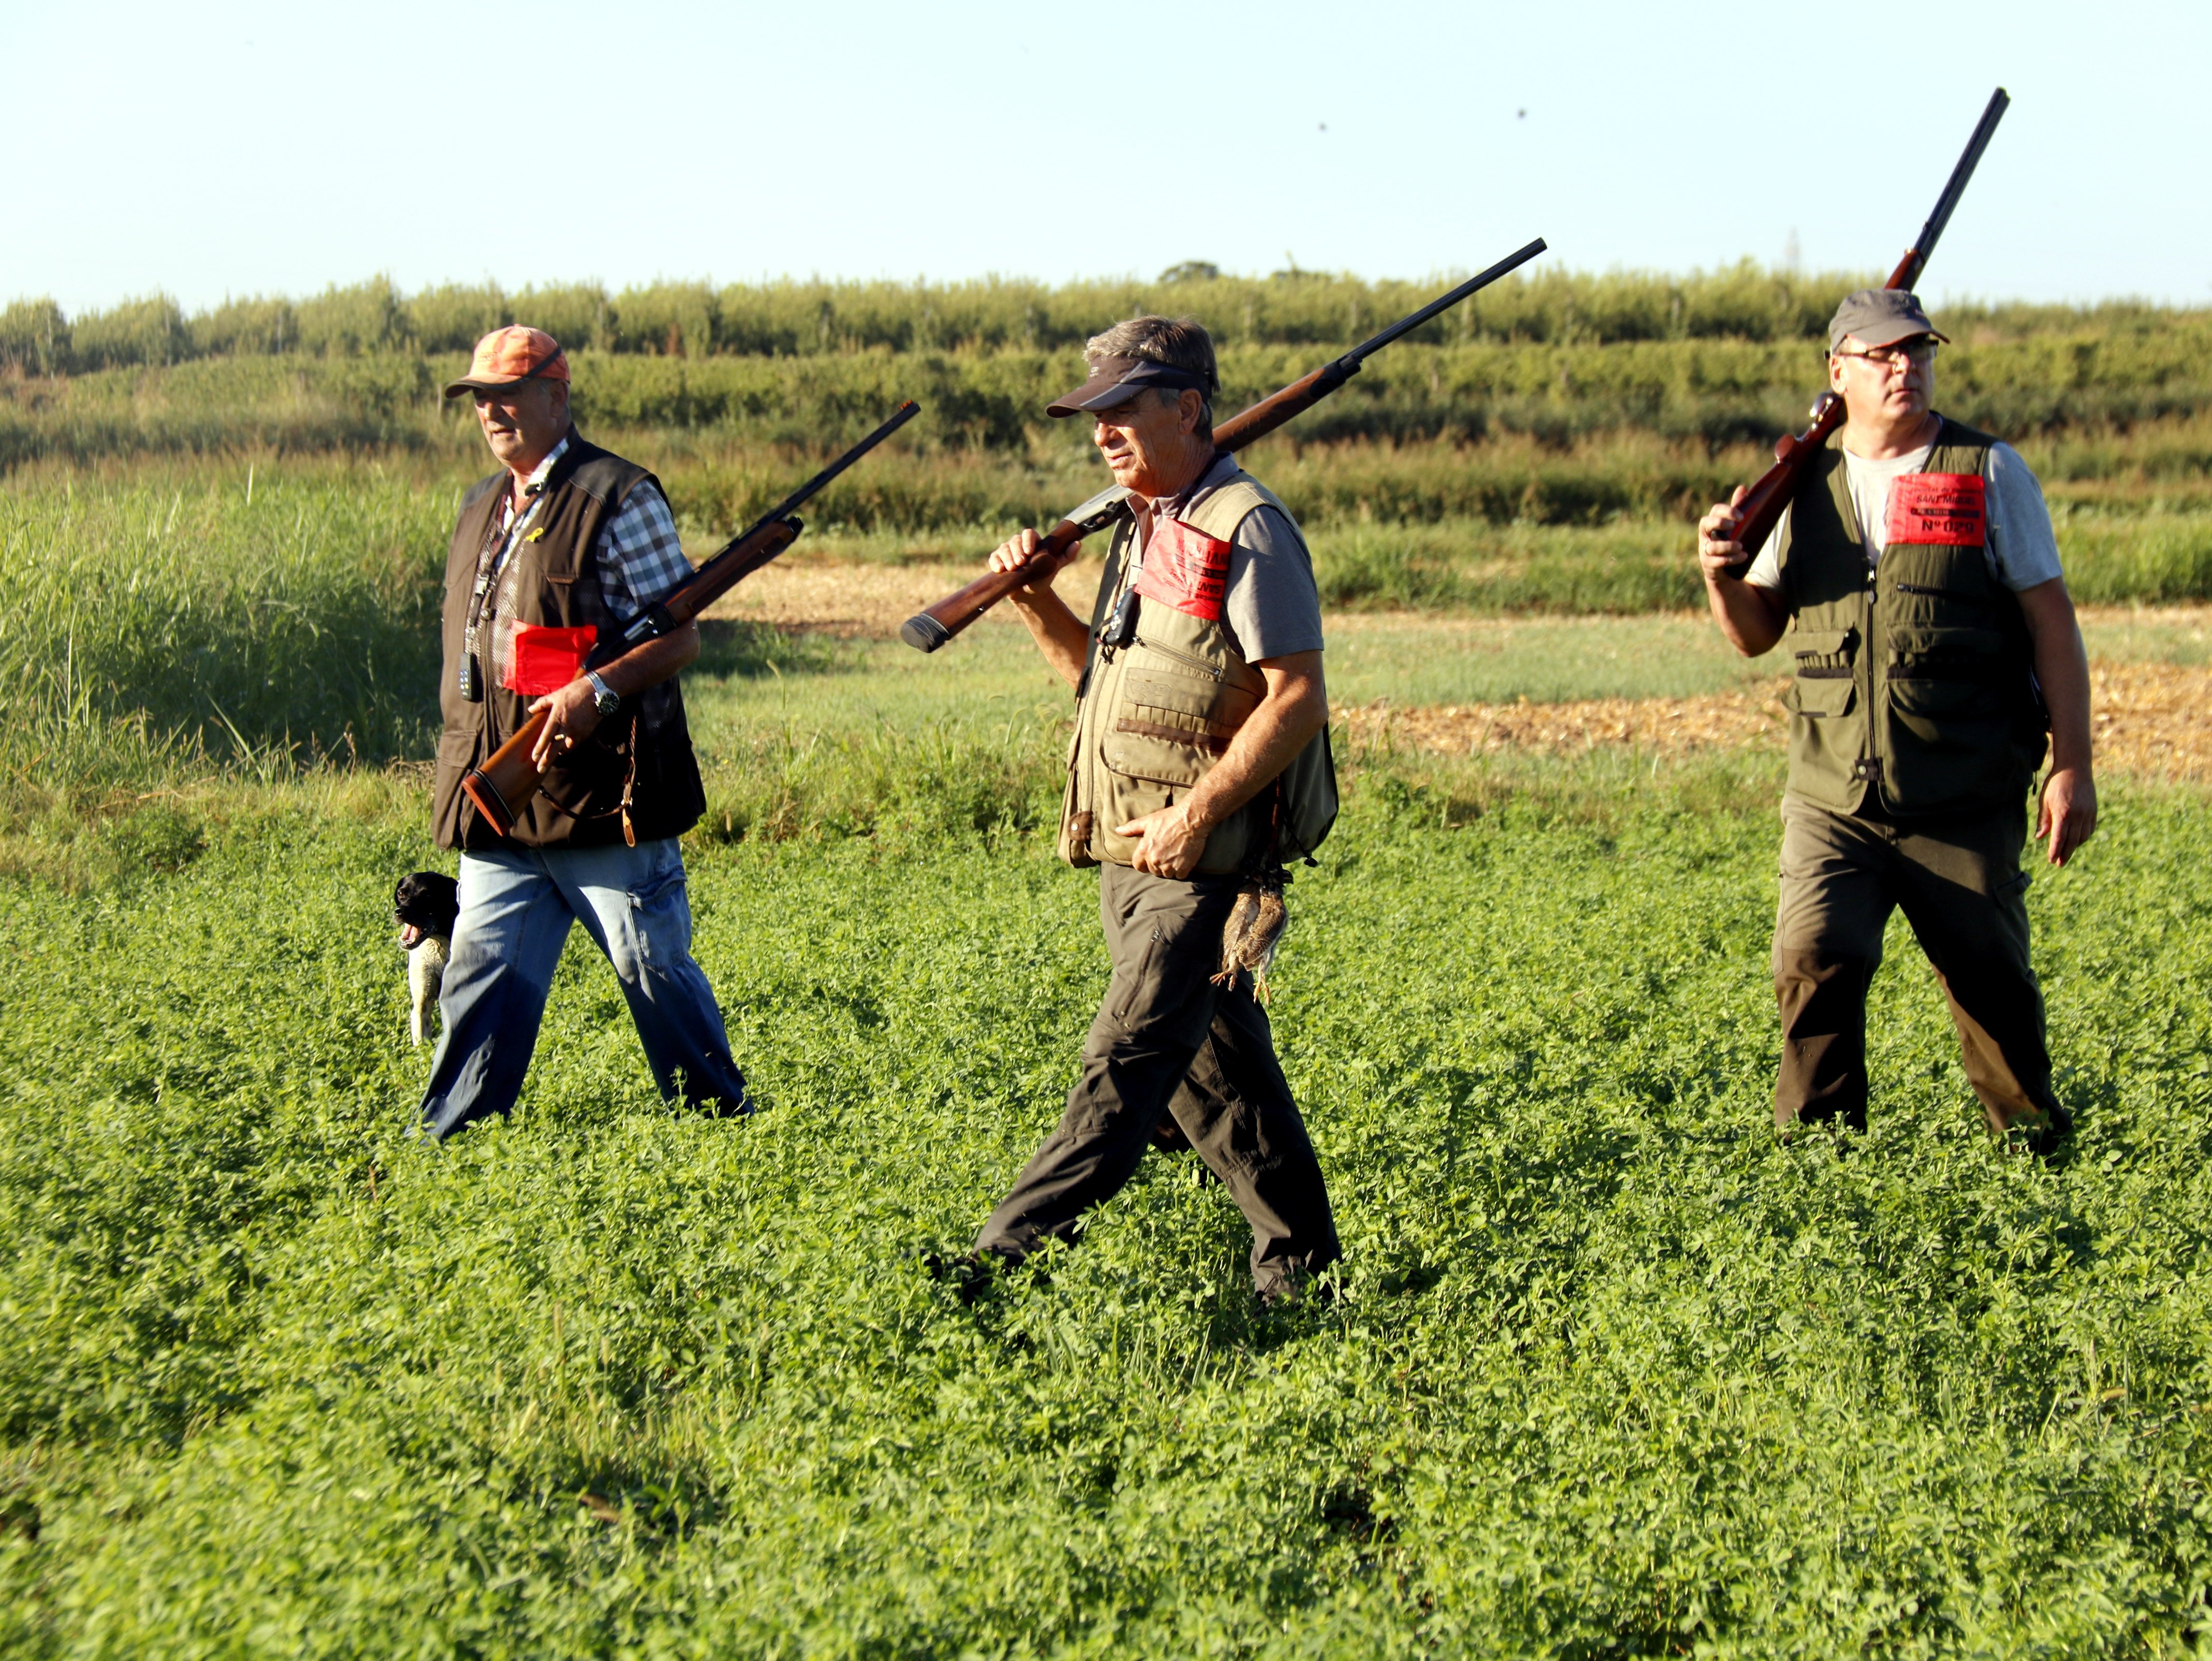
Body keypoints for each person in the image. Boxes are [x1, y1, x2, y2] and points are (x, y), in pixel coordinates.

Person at [946, 315, 1343, 1306]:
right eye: (1095, 416)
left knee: (1119, 1076)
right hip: (1131, 863)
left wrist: (1195, 815)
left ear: (1189, 409)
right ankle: (1305, 1279)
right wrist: (1034, 599)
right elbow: (1101, 681)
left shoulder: (1246, 527)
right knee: (1222, 1089)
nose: (1103, 434)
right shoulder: (1142, 528)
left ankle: (991, 1275)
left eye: (1124, 412)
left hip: (1196, 867)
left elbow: (1296, 695)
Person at [1697, 288, 2094, 1150]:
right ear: (1838, 373)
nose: (1904, 367)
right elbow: (1756, 635)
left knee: (1991, 987)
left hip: (1961, 792)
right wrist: (1719, 574)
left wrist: (2074, 764)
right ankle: (1822, 1170)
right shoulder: (1801, 485)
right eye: (1881, 355)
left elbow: (2051, 621)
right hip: (1832, 796)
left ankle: (2032, 1156)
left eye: (1917, 351)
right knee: (1812, 961)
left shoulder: (1988, 471)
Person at [417, 325, 750, 1139]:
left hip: (603, 794)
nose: (492, 412)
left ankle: (722, 1133)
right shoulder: (478, 507)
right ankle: (450, 1150)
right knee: (478, 981)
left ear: (556, 395)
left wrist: (594, 692)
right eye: (480, 398)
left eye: (508, 393)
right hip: (501, 797)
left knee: (652, 969)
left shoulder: (616, 494)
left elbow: (678, 636)